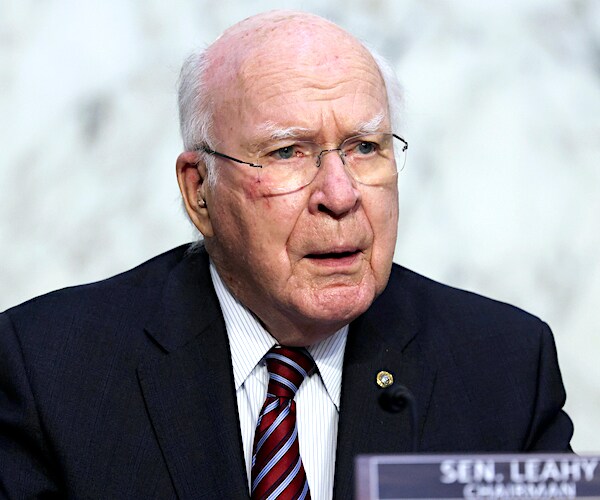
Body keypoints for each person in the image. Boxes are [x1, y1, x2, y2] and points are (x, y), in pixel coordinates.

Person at [0, 10, 572, 500]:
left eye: (365, 147)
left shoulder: (505, 367)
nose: (340, 195)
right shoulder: (49, 371)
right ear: (200, 190)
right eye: (288, 153)